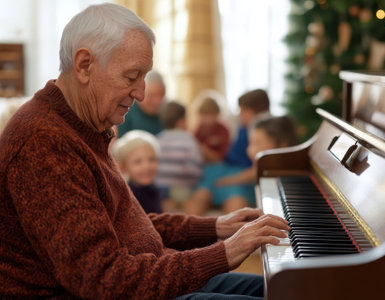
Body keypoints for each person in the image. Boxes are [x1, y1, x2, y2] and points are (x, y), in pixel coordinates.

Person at [0, 3, 289, 299]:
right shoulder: (43, 142)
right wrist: (224, 254)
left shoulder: (85, 125)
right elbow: (103, 279)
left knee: (290, 290)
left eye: (144, 77)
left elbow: (124, 226)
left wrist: (216, 226)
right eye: (131, 76)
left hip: (147, 276)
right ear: (84, 64)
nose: (140, 93)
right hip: (124, 289)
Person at [184, 89, 272, 215]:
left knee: (235, 202)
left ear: (252, 113)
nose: (239, 115)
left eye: (242, 111)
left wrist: (229, 180)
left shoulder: (262, 132)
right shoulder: (243, 128)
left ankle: (230, 232)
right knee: (200, 195)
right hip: (223, 168)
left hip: (240, 175)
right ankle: (191, 229)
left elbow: (258, 168)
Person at [155, 101, 203, 211]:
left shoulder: (158, 139)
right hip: (182, 187)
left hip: (161, 188)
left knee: (167, 207)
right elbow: (195, 168)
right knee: (191, 202)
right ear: (182, 121)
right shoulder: (189, 140)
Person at [112, 129, 163, 214]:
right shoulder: (126, 196)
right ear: (124, 167)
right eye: (138, 161)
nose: (146, 167)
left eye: (151, 159)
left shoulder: (155, 190)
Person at [117, 70, 166, 137]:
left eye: (161, 95)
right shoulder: (125, 114)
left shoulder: (166, 114)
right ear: (140, 93)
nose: (157, 101)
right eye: (152, 95)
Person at [194, 96, 230, 163]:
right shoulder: (199, 128)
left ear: (217, 115)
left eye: (210, 116)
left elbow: (221, 157)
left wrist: (205, 151)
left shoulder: (223, 130)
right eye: (204, 115)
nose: (207, 120)